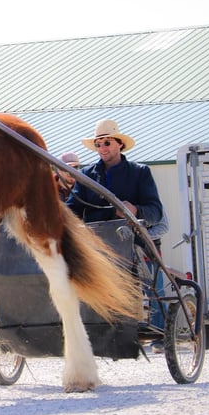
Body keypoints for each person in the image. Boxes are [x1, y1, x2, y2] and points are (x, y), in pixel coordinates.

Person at [67, 119, 168, 351]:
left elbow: (155, 210)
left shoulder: (140, 172)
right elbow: (72, 209)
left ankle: (160, 332)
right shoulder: (86, 175)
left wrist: (136, 210)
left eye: (107, 143)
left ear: (119, 144)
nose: (103, 148)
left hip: (135, 241)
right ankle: (101, 333)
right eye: (99, 144)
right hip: (100, 243)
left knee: (152, 283)